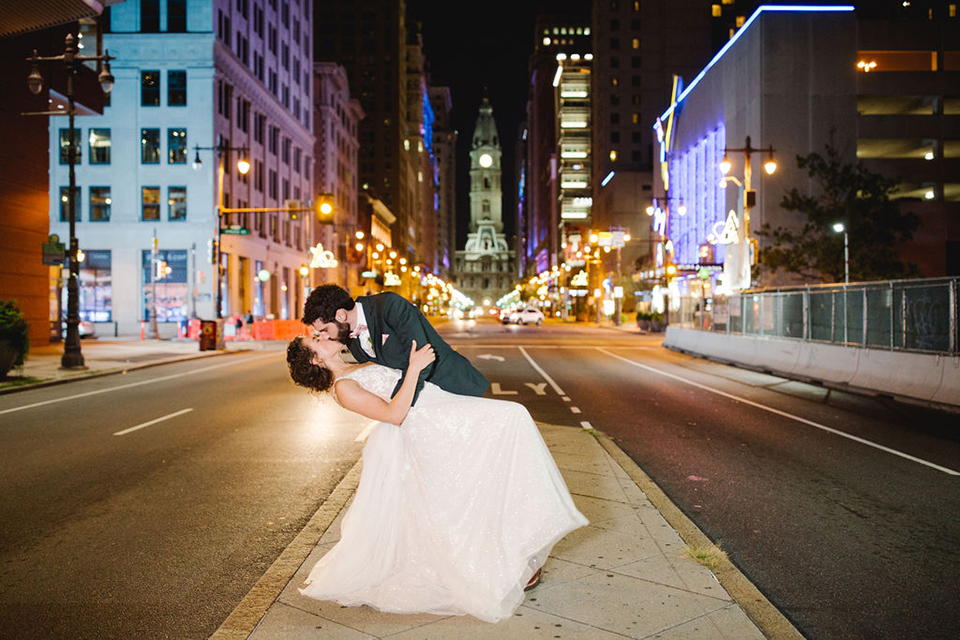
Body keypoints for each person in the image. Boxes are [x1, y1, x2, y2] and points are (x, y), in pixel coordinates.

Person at [286, 333, 588, 623]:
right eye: (315, 340)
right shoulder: (343, 387)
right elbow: (394, 414)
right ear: (314, 360)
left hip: (438, 405)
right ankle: (509, 557)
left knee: (500, 448)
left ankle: (520, 547)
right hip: (427, 423)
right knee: (512, 419)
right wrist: (414, 368)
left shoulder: (357, 361)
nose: (322, 336)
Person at [302, 284, 488, 405]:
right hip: (425, 403)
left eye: (324, 330)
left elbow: (422, 357)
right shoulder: (348, 338)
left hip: (454, 387)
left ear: (341, 315)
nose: (325, 336)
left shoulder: (389, 306)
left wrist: (399, 404)